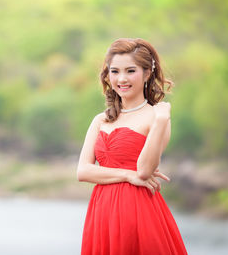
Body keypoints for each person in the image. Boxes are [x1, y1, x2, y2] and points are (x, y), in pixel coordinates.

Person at [77, 38, 188, 254]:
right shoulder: (100, 120)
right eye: (115, 71)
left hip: (138, 210)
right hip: (102, 211)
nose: (122, 79)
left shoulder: (156, 118)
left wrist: (161, 120)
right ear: (108, 75)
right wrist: (128, 176)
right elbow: (83, 171)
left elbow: (145, 170)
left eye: (130, 71)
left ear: (147, 73)